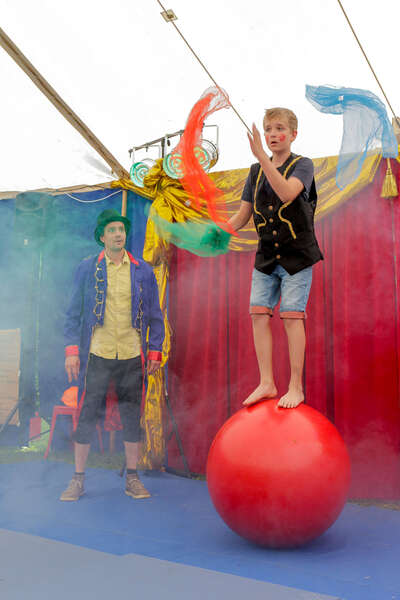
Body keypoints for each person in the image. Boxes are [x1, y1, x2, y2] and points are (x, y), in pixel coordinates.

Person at [60, 209, 164, 501]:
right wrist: (72, 351)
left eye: (122, 229)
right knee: (87, 415)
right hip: (97, 352)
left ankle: (132, 478)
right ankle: (77, 480)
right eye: (113, 230)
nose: (119, 234)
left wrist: (155, 349)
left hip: (131, 353)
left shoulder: (142, 269)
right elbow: (72, 314)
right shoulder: (87, 268)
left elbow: (156, 314)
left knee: (133, 416)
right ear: (102, 236)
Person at [229, 108, 323, 408]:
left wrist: (261, 158)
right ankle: (267, 383)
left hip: (297, 256)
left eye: (279, 128)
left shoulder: (303, 165)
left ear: (293, 134)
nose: (272, 134)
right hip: (267, 257)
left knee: (292, 316)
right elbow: (243, 213)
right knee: (258, 313)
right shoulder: (256, 172)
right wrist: (219, 231)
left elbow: (286, 193)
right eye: (268, 129)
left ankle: (295, 386)